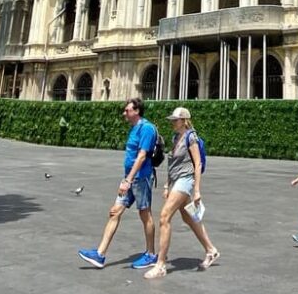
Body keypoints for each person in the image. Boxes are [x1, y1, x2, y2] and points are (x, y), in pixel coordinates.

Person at [79, 97, 159, 270]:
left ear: (136, 111)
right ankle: (100, 254)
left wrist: (128, 180)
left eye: (127, 110)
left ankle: (151, 254)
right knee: (114, 212)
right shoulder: (133, 128)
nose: (124, 113)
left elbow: (142, 156)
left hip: (141, 178)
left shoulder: (146, 129)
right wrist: (126, 179)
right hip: (129, 179)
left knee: (145, 215)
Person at [144, 106, 219, 278]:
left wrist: (197, 190)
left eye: (175, 120)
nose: (172, 122)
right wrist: (166, 185)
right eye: (172, 120)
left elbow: (197, 164)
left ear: (184, 121)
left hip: (186, 181)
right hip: (177, 181)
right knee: (189, 217)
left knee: (164, 217)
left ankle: (161, 265)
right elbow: (172, 164)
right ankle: (211, 250)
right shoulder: (175, 137)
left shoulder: (191, 137)